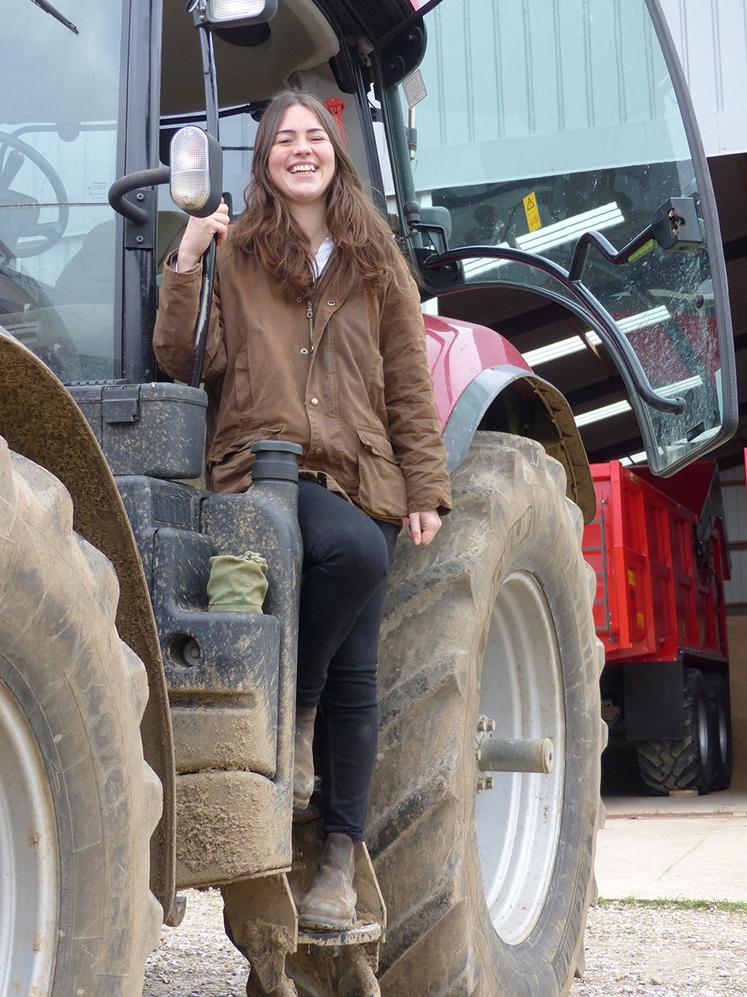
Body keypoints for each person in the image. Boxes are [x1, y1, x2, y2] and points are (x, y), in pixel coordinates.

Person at [153, 90, 451, 931]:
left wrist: (424, 486)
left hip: (365, 474)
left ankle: (336, 863)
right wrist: (188, 258)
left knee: (359, 670)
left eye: (312, 136)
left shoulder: (375, 258)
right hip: (264, 470)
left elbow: (407, 380)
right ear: (265, 161)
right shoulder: (238, 250)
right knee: (354, 555)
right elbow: (181, 357)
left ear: (334, 152)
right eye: (283, 139)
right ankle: (299, 710)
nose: (299, 148)